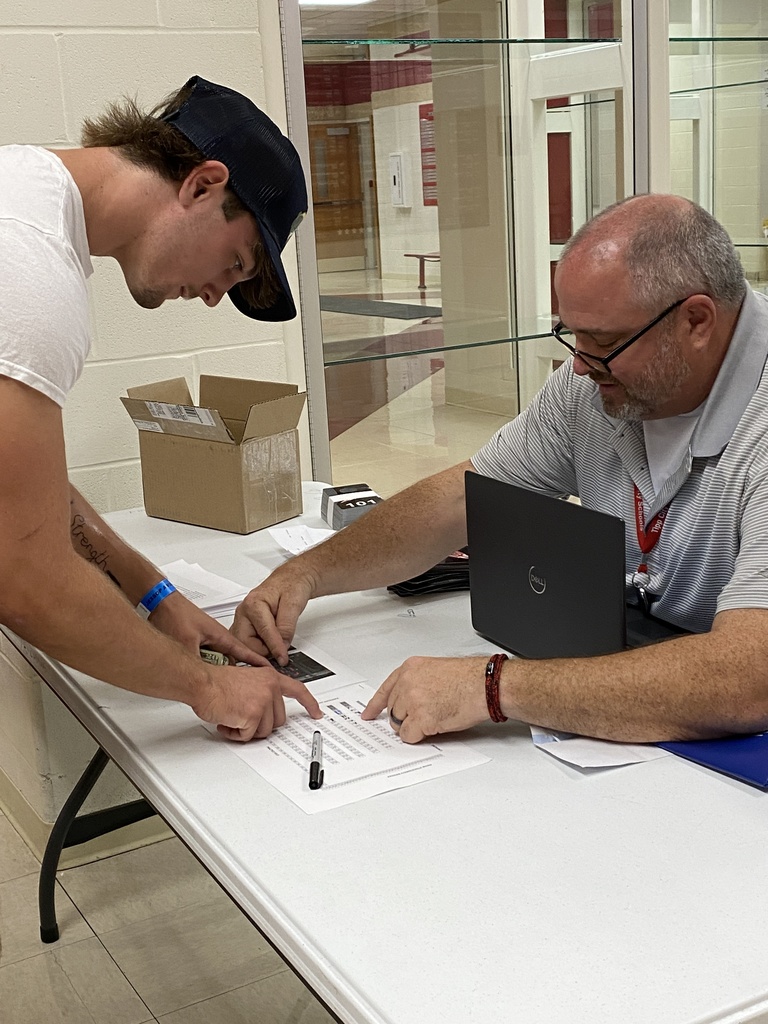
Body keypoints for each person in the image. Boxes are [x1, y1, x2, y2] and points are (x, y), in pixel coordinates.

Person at [232, 193, 768, 745]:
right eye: (572, 335)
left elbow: (748, 678)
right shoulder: (593, 386)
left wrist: (494, 688)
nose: (579, 367)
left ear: (696, 321)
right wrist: (307, 574)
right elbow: (462, 500)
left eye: (604, 343)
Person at [0, 75, 322, 741]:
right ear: (202, 185)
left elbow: (22, 495)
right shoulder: (27, 267)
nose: (214, 295)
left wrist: (154, 592)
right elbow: (26, 578)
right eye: (235, 263)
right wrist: (208, 687)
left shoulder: (21, 196)